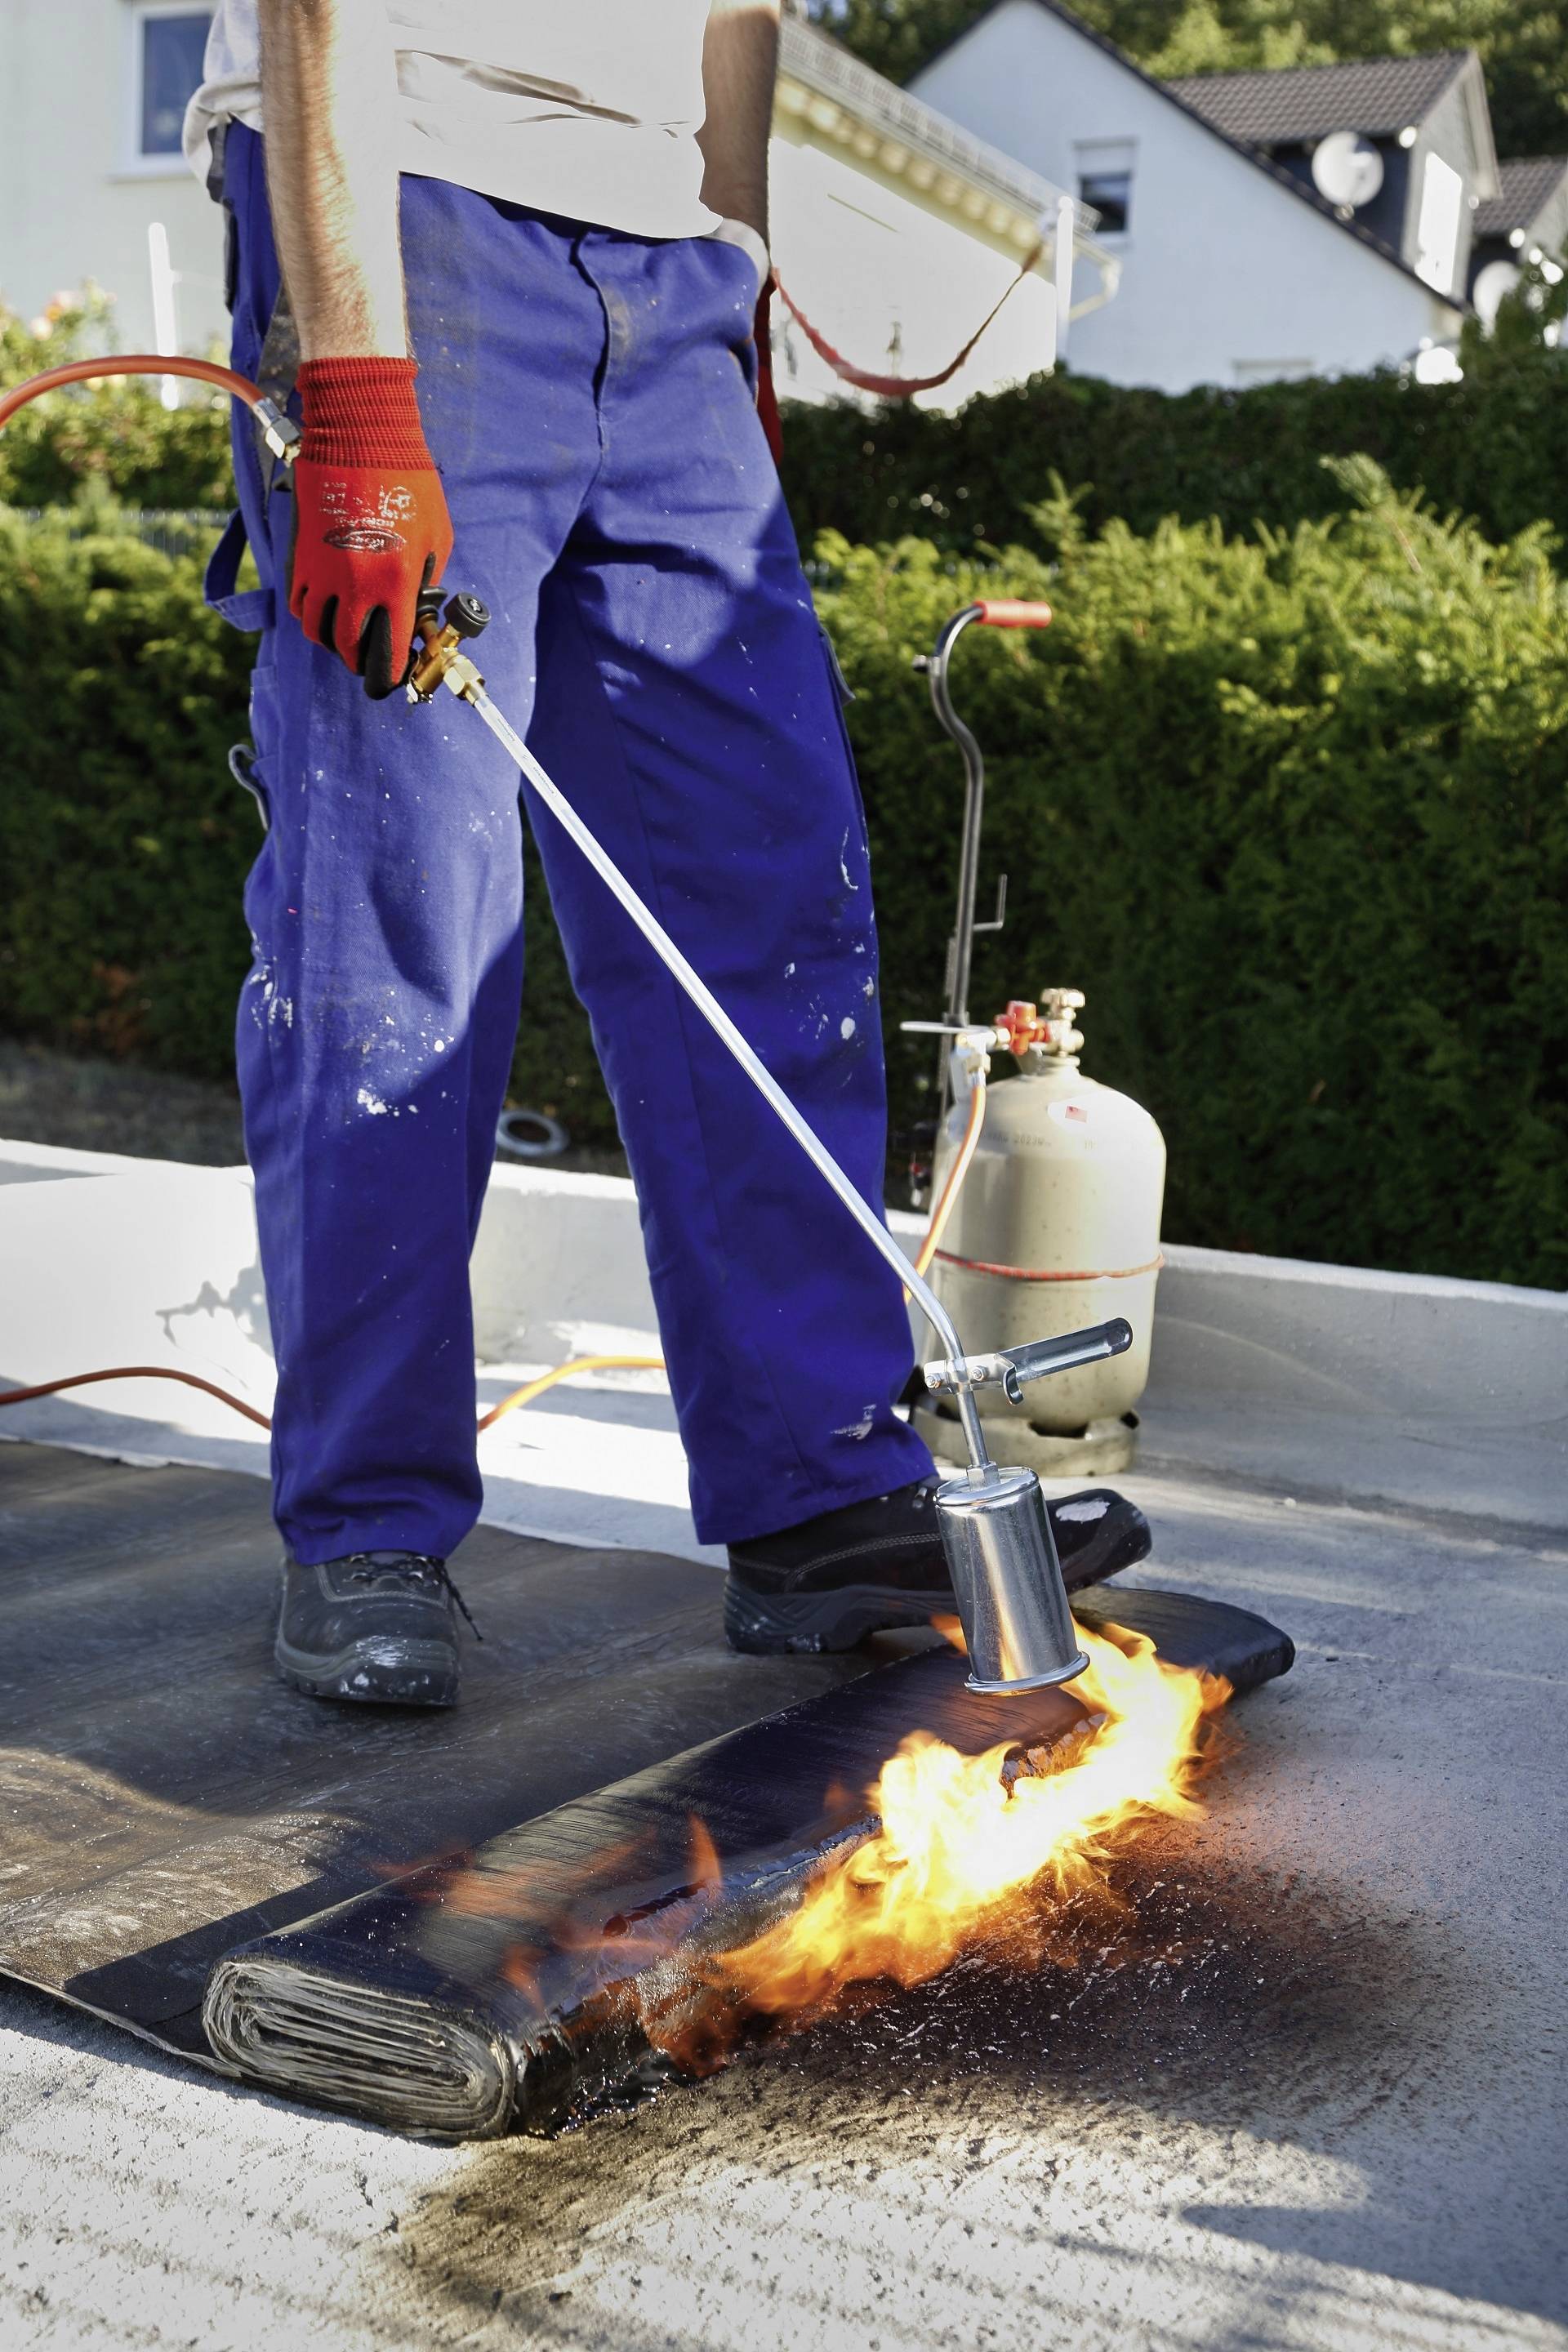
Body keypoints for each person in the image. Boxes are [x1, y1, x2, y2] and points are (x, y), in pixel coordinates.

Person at [184, 0, 1148, 1707]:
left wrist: (738, 254)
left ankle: (819, 1491)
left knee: (764, 894)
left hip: (674, 265)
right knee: (405, 921)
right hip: (414, 198)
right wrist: (345, 369)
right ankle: (366, 1527)